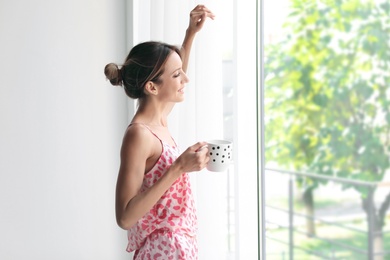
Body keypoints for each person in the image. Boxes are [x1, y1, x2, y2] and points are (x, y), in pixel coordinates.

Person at [104, 5, 215, 260]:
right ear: (152, 87)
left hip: (177, 246)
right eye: (178, 75)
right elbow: (125, 217)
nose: (185, 80)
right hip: (164, 249)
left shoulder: (159, 120)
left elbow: (173, 77)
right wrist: (178, 168)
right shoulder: (139, 135)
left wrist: (190, 34)